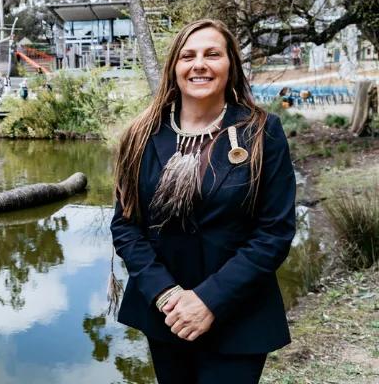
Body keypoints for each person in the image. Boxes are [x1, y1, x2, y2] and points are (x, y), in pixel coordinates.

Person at [111, 19, 296, 384]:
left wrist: (209, 300)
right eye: (188, 56)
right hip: (168, 317)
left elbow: (274, 232)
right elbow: (126, 226)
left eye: (213, 54)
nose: (199, 64)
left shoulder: (261, 132)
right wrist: (166, 295)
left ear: (231, 66)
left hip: (239, 317)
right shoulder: (141, 135)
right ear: (174, 69)